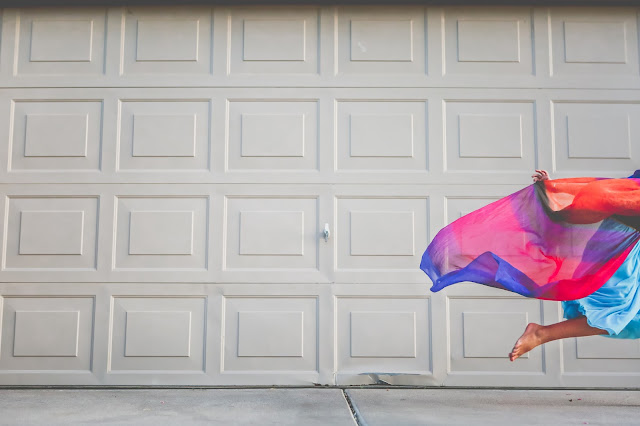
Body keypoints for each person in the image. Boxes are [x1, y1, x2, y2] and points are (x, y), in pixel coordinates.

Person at [421, 169, 640, 362]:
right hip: (619, 252)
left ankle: (541, 333)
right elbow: (597, 196)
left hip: (624, 248)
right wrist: (553, 194)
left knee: (629, 316)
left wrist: (554, 193)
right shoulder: (630, 192)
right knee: (616, 313)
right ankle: (540, 334)